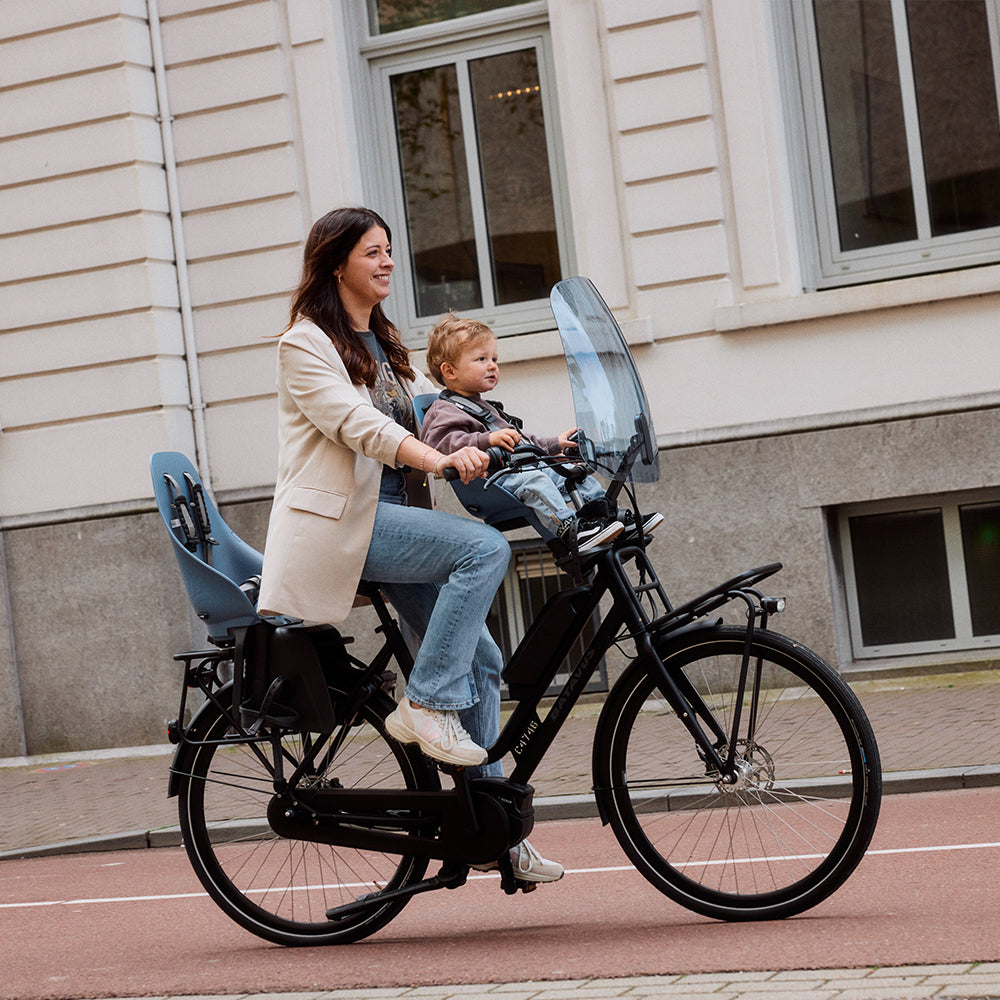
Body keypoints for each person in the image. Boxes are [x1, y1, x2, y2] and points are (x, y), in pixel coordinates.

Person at [256, 207, 562, 883]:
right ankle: (423, 705)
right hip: (346, 527)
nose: (389, 261)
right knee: (483, 550)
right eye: (374, 252)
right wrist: (435, 461)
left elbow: (439, 414)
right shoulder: (304, 345)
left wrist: (505, 442)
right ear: (338, 263)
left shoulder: (385, 343)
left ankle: (493, 826)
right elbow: (356, 424)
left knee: (482, 661)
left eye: (390, 250)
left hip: (394, 519)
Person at [422, 314, 662, 549]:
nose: (493, 365)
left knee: (572, 472)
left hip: (519, 470)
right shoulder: (444, 409)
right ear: (449, 371)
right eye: (481, 359)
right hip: (495, 482)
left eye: (494, 358)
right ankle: (570, 529)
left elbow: (524, 442)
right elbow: (441, 446)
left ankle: (609, 518)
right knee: (536, 481)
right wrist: (486, 440)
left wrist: (556, 444)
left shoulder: (483, 406)